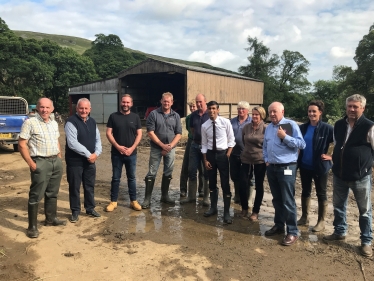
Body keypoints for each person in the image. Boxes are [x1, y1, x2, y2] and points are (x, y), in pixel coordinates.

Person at [324, 94, 373, 258]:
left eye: (355, 106)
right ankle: (339, 232)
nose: (351, 109)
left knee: (364, 211)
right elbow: (336, 144)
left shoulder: (369, 126)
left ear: (363, 108)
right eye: (349, 106)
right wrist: (332, 157)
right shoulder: (338, 124)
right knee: (338, 206)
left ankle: (366, 242)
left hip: (360, 177)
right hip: (339, 174)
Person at [18, 97, 66, 238]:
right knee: (36, 195)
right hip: (40, 162)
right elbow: (21, 144)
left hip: (55, 161)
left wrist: (59, 156)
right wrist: (31, 163)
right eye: (42, 107)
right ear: (37, 108)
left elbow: (56, 139)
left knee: (52, 192)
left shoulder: (53, 123)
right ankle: (32, 227)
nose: (45, 110)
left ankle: (51, 219)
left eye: (47, 107)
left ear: (52, 109)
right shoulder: (30, 123)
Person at [263, 102, 305, 246]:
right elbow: (265, 146)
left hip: (287, 167)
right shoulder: (268, 128)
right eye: (270, 112)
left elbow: (301, 144)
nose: (272, 114)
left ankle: (293, 231)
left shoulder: (291, 125)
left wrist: (285, 137)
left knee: (287, 200)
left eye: (275, 111)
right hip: (272, 168)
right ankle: (279, 225)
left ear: (282, 111)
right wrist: (267, 160)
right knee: (277, 199)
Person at [297, 100, 333, 232]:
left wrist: (331, 156)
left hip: (320, 167)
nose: (311, 114)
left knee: (321, 193)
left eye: (314, 111)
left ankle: (321, 221)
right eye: (309, 111)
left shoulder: (328, 128)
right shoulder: (303, 128)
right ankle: (304, 217)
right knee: (305, 191)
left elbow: (339, 143)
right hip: (305, 165)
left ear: (320, 113)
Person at [142, 92, 182, 209]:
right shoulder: (153, 114)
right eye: (164, 101)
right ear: (161, 101)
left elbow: (178, 134)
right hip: (156, 148)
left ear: (172, 102)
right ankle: (147, 199)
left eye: (168, 101)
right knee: (152, 172)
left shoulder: (176, 116)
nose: (166, 103)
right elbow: (150, 132)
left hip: (171, 148)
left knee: (168, 171)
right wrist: (161, 145)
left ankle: (164, 196)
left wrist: (170, 146)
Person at [65, 98, 102, 222]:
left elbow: (98, 140)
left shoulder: (92, 122)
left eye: (86, 108)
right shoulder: (71, 122)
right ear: (77, 108)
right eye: (81, 108)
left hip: (90, 161)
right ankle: (75, 210)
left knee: (89, 186)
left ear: (90, 109)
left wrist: (96, 153)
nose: (83, 110)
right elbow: (72, 143)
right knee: (75, 186)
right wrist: (88, 154)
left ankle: (90, 208)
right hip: (75, 161)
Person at [105, 94, 142, 212]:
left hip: (132, 154)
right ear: (121, 103)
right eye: (123, 102)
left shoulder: (135, 117)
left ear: (131, 104)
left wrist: (132, 148)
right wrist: (118, 146)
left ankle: (133, 201)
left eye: (128, 102)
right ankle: (113, 201)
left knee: (131, 178)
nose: (125, 104)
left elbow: (139, 134)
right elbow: (108, 133)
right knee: (116, 178)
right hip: (117, 154)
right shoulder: (113, 116)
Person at [202, 101, 235, 224]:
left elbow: (231, 140)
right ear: (207, 110)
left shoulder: (225, 122)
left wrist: (228, 154)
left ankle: (226, 212)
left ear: (218, 110)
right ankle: (213, 207)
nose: (211, 111)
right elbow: (204, 144)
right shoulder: (205, 125)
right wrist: (205, 160)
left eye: (214, 108)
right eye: (209, 109)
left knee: (225, 183)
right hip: (210, 155)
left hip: (223, 155)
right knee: (212, 182)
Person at [181, 93, 209, 206]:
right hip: (194, 145)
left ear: (205, 101)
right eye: (197, 102)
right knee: (192, 170)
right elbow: (192, 130)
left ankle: (206, 198)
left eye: (200, 102)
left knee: (206, 172)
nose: (198, 104)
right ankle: (191, 197)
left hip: (206, 147)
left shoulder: (209, 114)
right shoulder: (193, 115)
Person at [239, 106, 267, 221]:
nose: (254, 116)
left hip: (260, 160)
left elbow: (268, 144)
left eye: (257, 115)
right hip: (246, 159)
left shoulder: (266, 128)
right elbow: (242, 140)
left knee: (259, 186)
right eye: (253, 114)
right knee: (242, 184)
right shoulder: (246, 127)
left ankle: (255, 211)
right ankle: (244, 208)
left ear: (261, 116)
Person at [179, 99, 204, 198]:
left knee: (202, 167)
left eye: (194, 106)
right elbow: (189, 129)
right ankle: (183, 189)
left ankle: (201, 190)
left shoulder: (202, 116)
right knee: (186, 165)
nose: (193, 108)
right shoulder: (189, 118)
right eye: (191, 107)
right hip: (191, 140)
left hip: (202, 142)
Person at [230, 101, 252, 204]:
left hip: (247, 154)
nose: (241, 111)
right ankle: (237, 195)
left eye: (243, 109)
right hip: (234, 153)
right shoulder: (232, 121)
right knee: (235, 175)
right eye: (239, 108)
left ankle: (247, 197)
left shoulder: (252, 121)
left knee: (247, 177)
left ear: (248, 110)